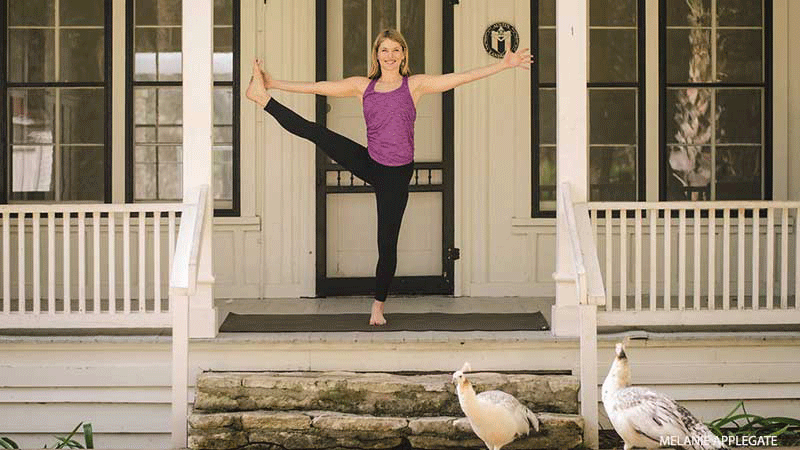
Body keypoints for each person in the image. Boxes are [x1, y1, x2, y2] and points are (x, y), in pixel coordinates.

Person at [246, 28, 533, 326]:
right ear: (377, 55)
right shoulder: (362, 87)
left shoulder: (415, 86)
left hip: (396, 175)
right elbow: (319, 87)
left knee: (387, 243)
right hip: (371, 162)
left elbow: (458, 78)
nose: (390, 55)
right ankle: (262, 97)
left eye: (396, 50)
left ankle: (377, 307)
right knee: (316, 132)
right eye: (385, 50)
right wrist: (274, 83)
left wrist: (503, 65)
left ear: (404, 55)